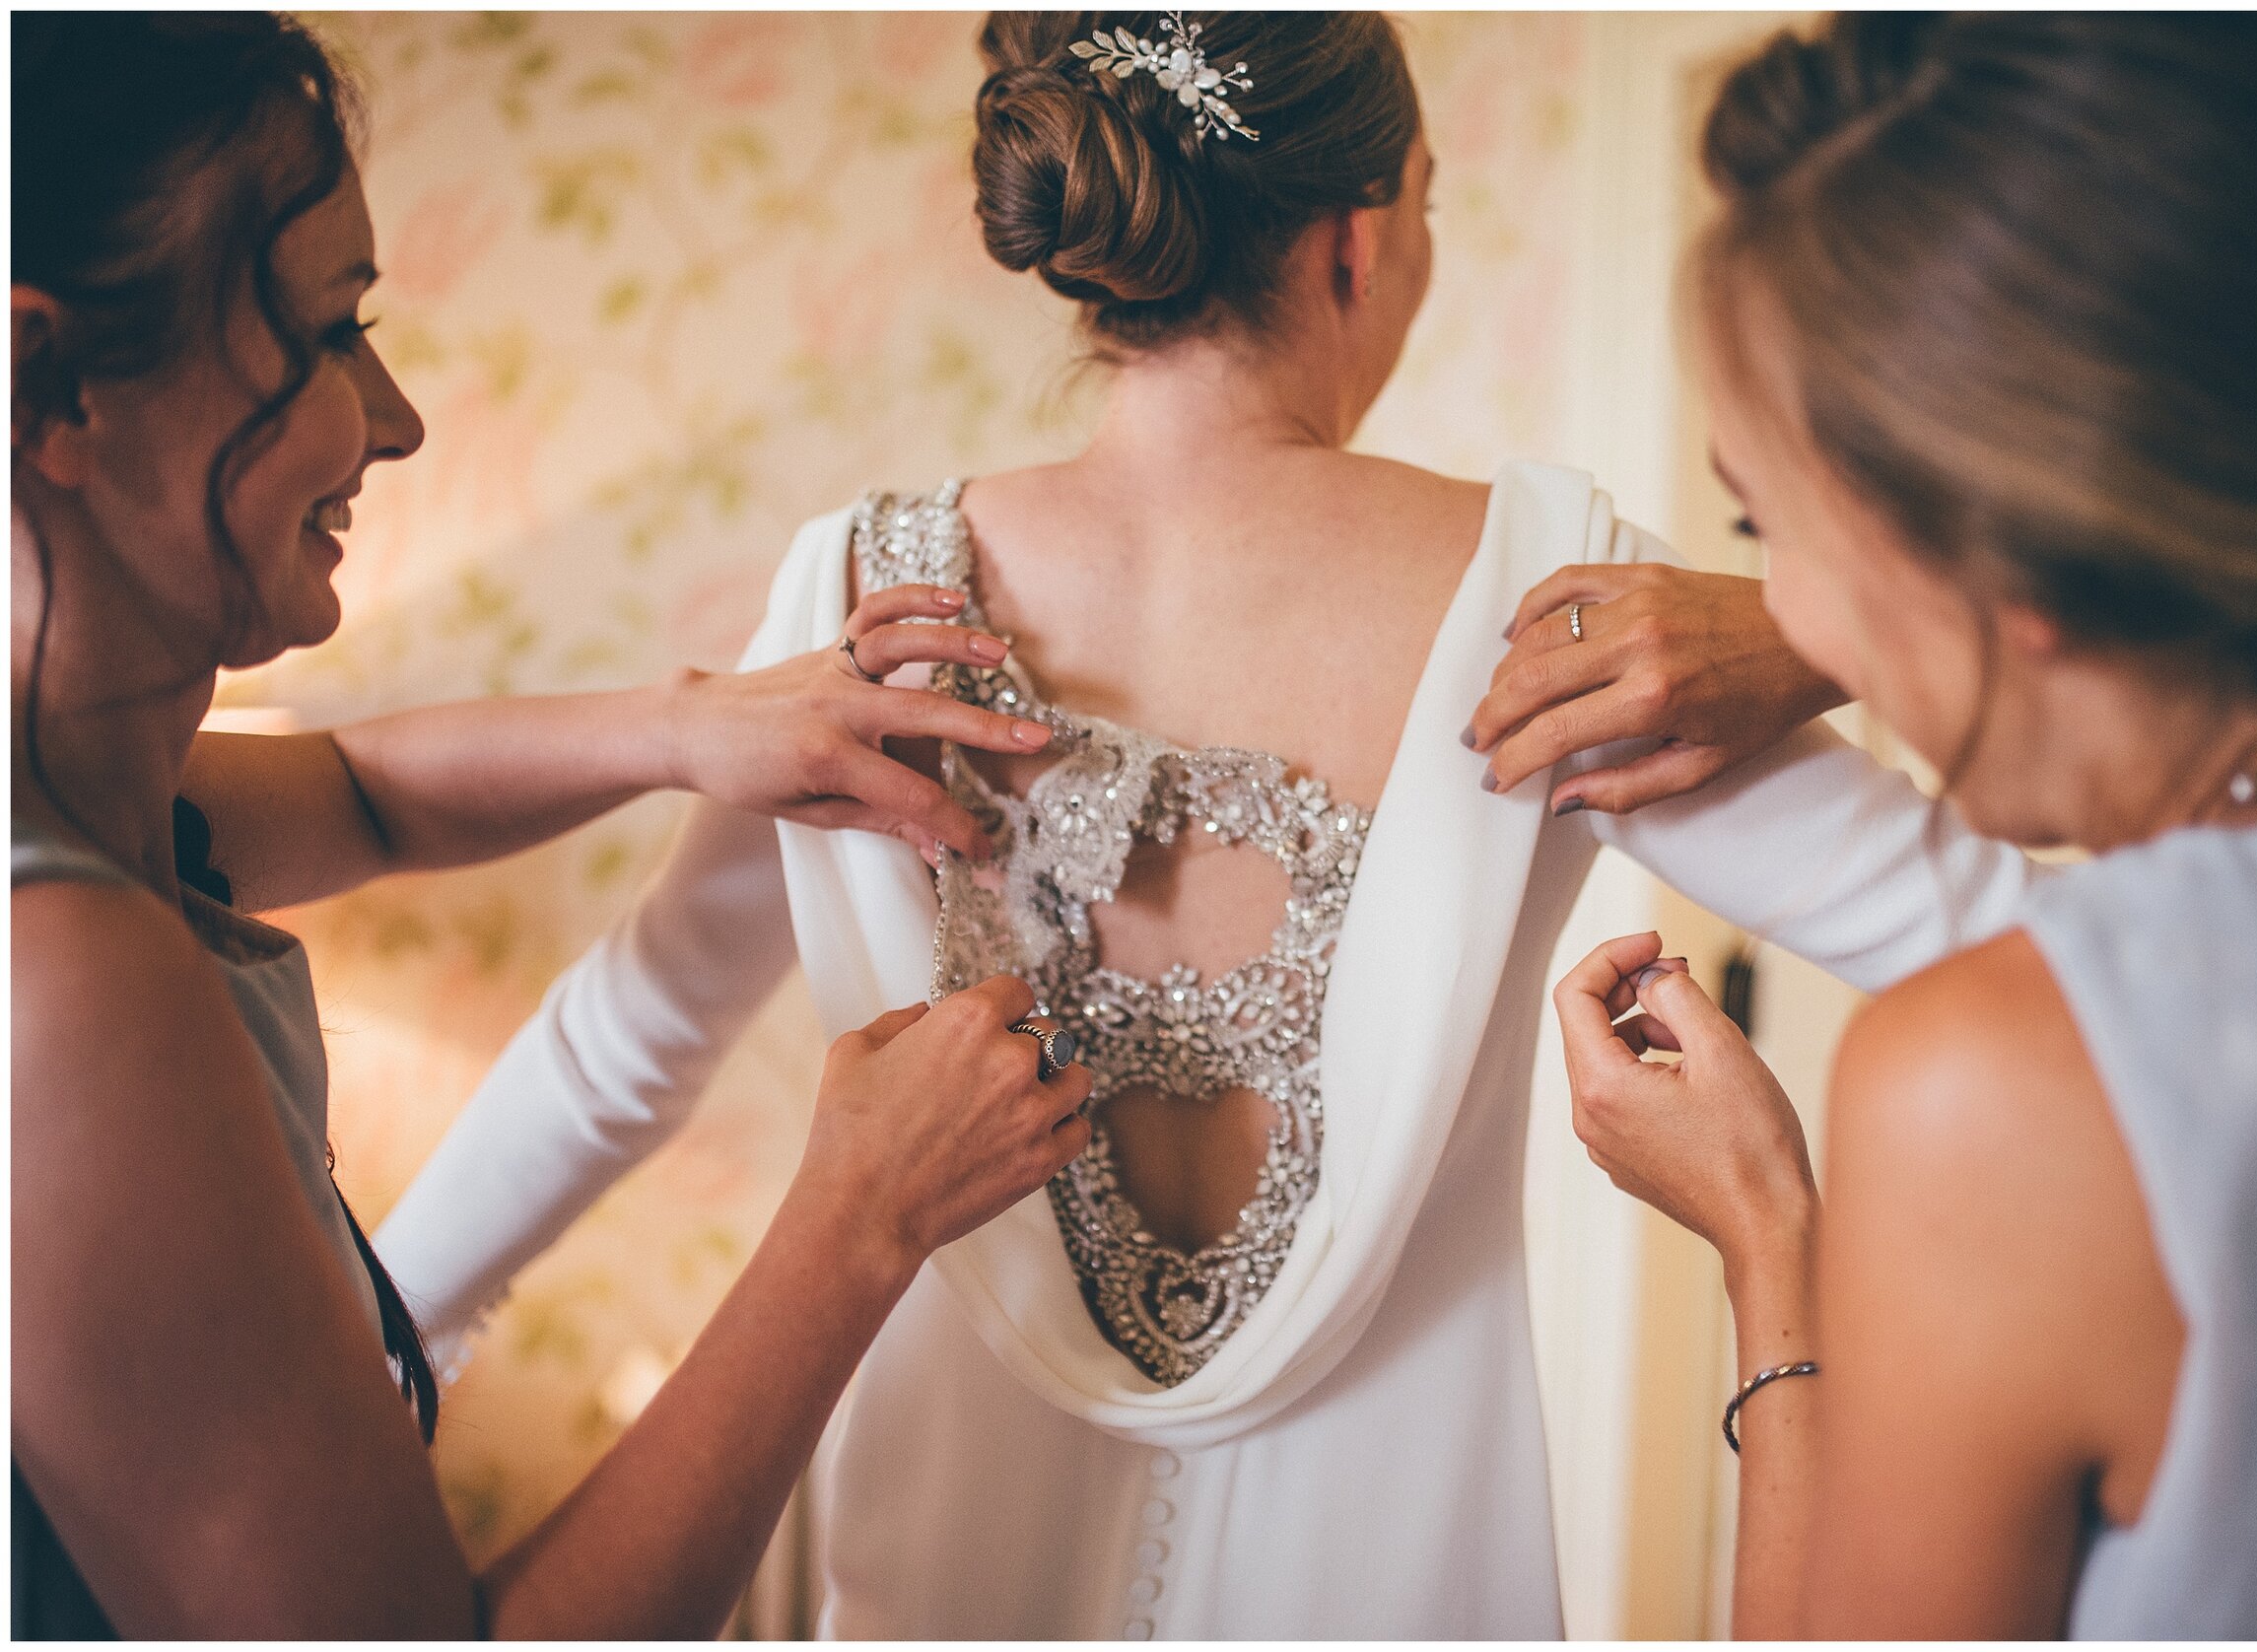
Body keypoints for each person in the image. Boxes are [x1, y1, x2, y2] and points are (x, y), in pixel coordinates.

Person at [376, 13, 2049, 1636]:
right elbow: (2009, 944)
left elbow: (621, 1047)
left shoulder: (860, 603)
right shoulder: (1552, 609)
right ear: (1358, 241)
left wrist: (382, 1344)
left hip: (950, 1577)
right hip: (1391, 1580)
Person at [12, 13, 1095, 1636]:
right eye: (327, 332)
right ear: (55, 393)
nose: (396, 420)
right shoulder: (63, 985)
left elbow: (364, 793)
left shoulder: (97, 795)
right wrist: (857, 1218)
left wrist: (686, 725)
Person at [1556, 12, 2257, 1638]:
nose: (1783, 609)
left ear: (2017, 564)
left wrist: (1770, 1233)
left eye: (1770, 525)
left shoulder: (2007, 1086)